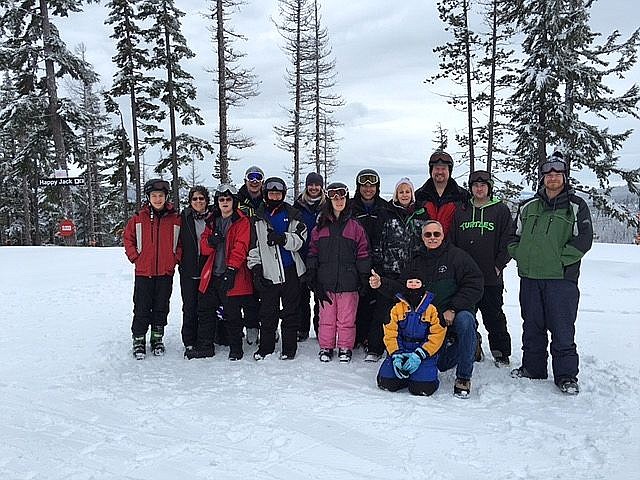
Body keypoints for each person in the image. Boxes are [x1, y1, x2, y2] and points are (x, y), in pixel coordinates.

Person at [508, 152, 593, 395]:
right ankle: (533, 368)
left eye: (557, 173)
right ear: (542, 177)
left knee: (562, 327)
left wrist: (557, 261)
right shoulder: (528, 206)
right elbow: (513, 238)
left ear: (564, 177)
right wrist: (522, 255)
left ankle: (566, 375)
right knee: (532, 325)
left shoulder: (576, 206)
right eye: (548, 174)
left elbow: (583, 241)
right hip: (530, 278)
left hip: (560, 279)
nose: (552, 177)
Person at [370, 220, 484, 398]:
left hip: (451, 314)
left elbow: (475, 284)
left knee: (466, 321)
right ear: (422, 237)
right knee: (441, 364)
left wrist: (453, 308)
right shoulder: (417, 261)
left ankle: (463, 376)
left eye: (436, 234)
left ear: (443, 235)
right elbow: (403, 287)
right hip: (427, 320)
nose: (432, 238)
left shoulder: (458, 257)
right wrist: (381, 283)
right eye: (428, 235)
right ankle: (461, 349)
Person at [450, 170, 514, 367]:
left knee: (493, 315)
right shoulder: (461, 211)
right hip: (465, 277)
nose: (479, 188)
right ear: (470, 188)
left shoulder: (500, 210)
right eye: (475, 185)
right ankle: (471, 347)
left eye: (483, 185)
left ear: (489, 187)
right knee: (465, 316)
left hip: (490, 276)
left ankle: (501, 352)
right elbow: (452, 240)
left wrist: (499, 264)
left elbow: (509, 240)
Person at [305, 182, 370, 363]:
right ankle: (326, 346)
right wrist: (311, 272)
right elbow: (313, 251)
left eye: (342, 198)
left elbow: (363, 252)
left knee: (346, 318)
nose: (339, 201)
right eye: (335, 198)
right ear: (329, 201)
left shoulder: (355, 226)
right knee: (326, 317)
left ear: (346, 199)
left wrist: (364, 276)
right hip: (326, 281)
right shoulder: (320, 227)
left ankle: (345, 346)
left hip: (349, 281)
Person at [187, 184, 253, 360]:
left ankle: (236, 348)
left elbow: (241, 247)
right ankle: (205, 346)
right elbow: (203, 245)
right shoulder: (212, 221)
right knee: (205, 311)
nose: (225, 203)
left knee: (232, 313)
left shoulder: (241, 221)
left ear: (234, 202)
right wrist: (210, 241)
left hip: (232, 273)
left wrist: (231, 270)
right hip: (211, 273)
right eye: (221, 200)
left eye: (228, 199)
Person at [247, 177, 307, 360]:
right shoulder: (257, 218)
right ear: (265, 194)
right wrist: (256, 269)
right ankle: (266, 348)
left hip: (291, 272)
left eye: (278, 193)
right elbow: (253, 247)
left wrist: (283, 238)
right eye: (271, 193)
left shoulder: (293, 214)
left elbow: (300, 240)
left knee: (290, 313)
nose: (274, 196)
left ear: (283, 195)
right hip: (269, 273)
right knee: (267, 314)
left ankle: (289, 349)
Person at [123, 179, 182, 360]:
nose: (157, 199)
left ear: (166, 197)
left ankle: (157, 338)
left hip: (165, 272)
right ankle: (138, 340)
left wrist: (174, 258)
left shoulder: (175, 219)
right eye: (154, 196)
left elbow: (181, 243)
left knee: (161, 307)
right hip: (144, 272)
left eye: (161, 196)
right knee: (141, 307)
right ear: (148, 197)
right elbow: (128, 239)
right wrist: (136, 257)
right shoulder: (138, 219)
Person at [376, 277, 447, 396]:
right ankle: (404, 375)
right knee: (386, 383)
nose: (413, 285)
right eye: (410, 282)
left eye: (417, 282)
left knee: (422, 389)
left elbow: (437, 335)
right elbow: (390, 332)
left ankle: (418, 376)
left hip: (423, 354)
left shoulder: (432, 309)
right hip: (401, 351)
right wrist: (396, 354)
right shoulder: (396, 308)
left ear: (422, 285)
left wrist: (420, 354)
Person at [351, 168, 393, 361]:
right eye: (364, 186)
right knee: (358, 298)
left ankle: (372, 337)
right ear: (358, 187)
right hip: (355, 260)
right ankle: (357, 335)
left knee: (375, 300)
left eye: (372, 186)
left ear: (377, 187)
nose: (368, 189)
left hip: (379, 260)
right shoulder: (350, 207)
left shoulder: (385, 207)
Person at [178, 186, 213, 357]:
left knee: (206, 307)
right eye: (195, 199)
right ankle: (189, 341)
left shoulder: (213, 218)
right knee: (190, 307)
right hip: (189, 270)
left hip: (208, 269)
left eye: (201, 198)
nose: (198, 202)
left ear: (207, 200)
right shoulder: (184, 218)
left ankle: (206, 339)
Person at [293, 172, 326, 341]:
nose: (313, 188)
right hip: (301, 254)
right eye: (310, 185)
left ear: (321, 186)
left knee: (320, 295)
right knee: (301, 295)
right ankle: (302, 328)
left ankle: (321, 328)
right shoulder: (297, 206)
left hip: (322, 257)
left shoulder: (327, 205)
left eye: (316, 184)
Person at [237, 165, 265, 346]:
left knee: (267, 291)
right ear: (246, 180)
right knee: (248, 293)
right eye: (251, 177)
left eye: (258, 177)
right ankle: (251, 326)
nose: (254, 181)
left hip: (266, 251)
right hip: (243, 251)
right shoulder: (238, 201)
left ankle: (268, 326)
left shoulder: (269, 198)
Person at [414, 150, 470, 237]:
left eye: (443, 168)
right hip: (424, 247)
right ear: (431, 171)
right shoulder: (419, 196)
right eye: (437, 168)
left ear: (449, 171)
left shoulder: (462, 196)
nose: (440, 172)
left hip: (453, 247)